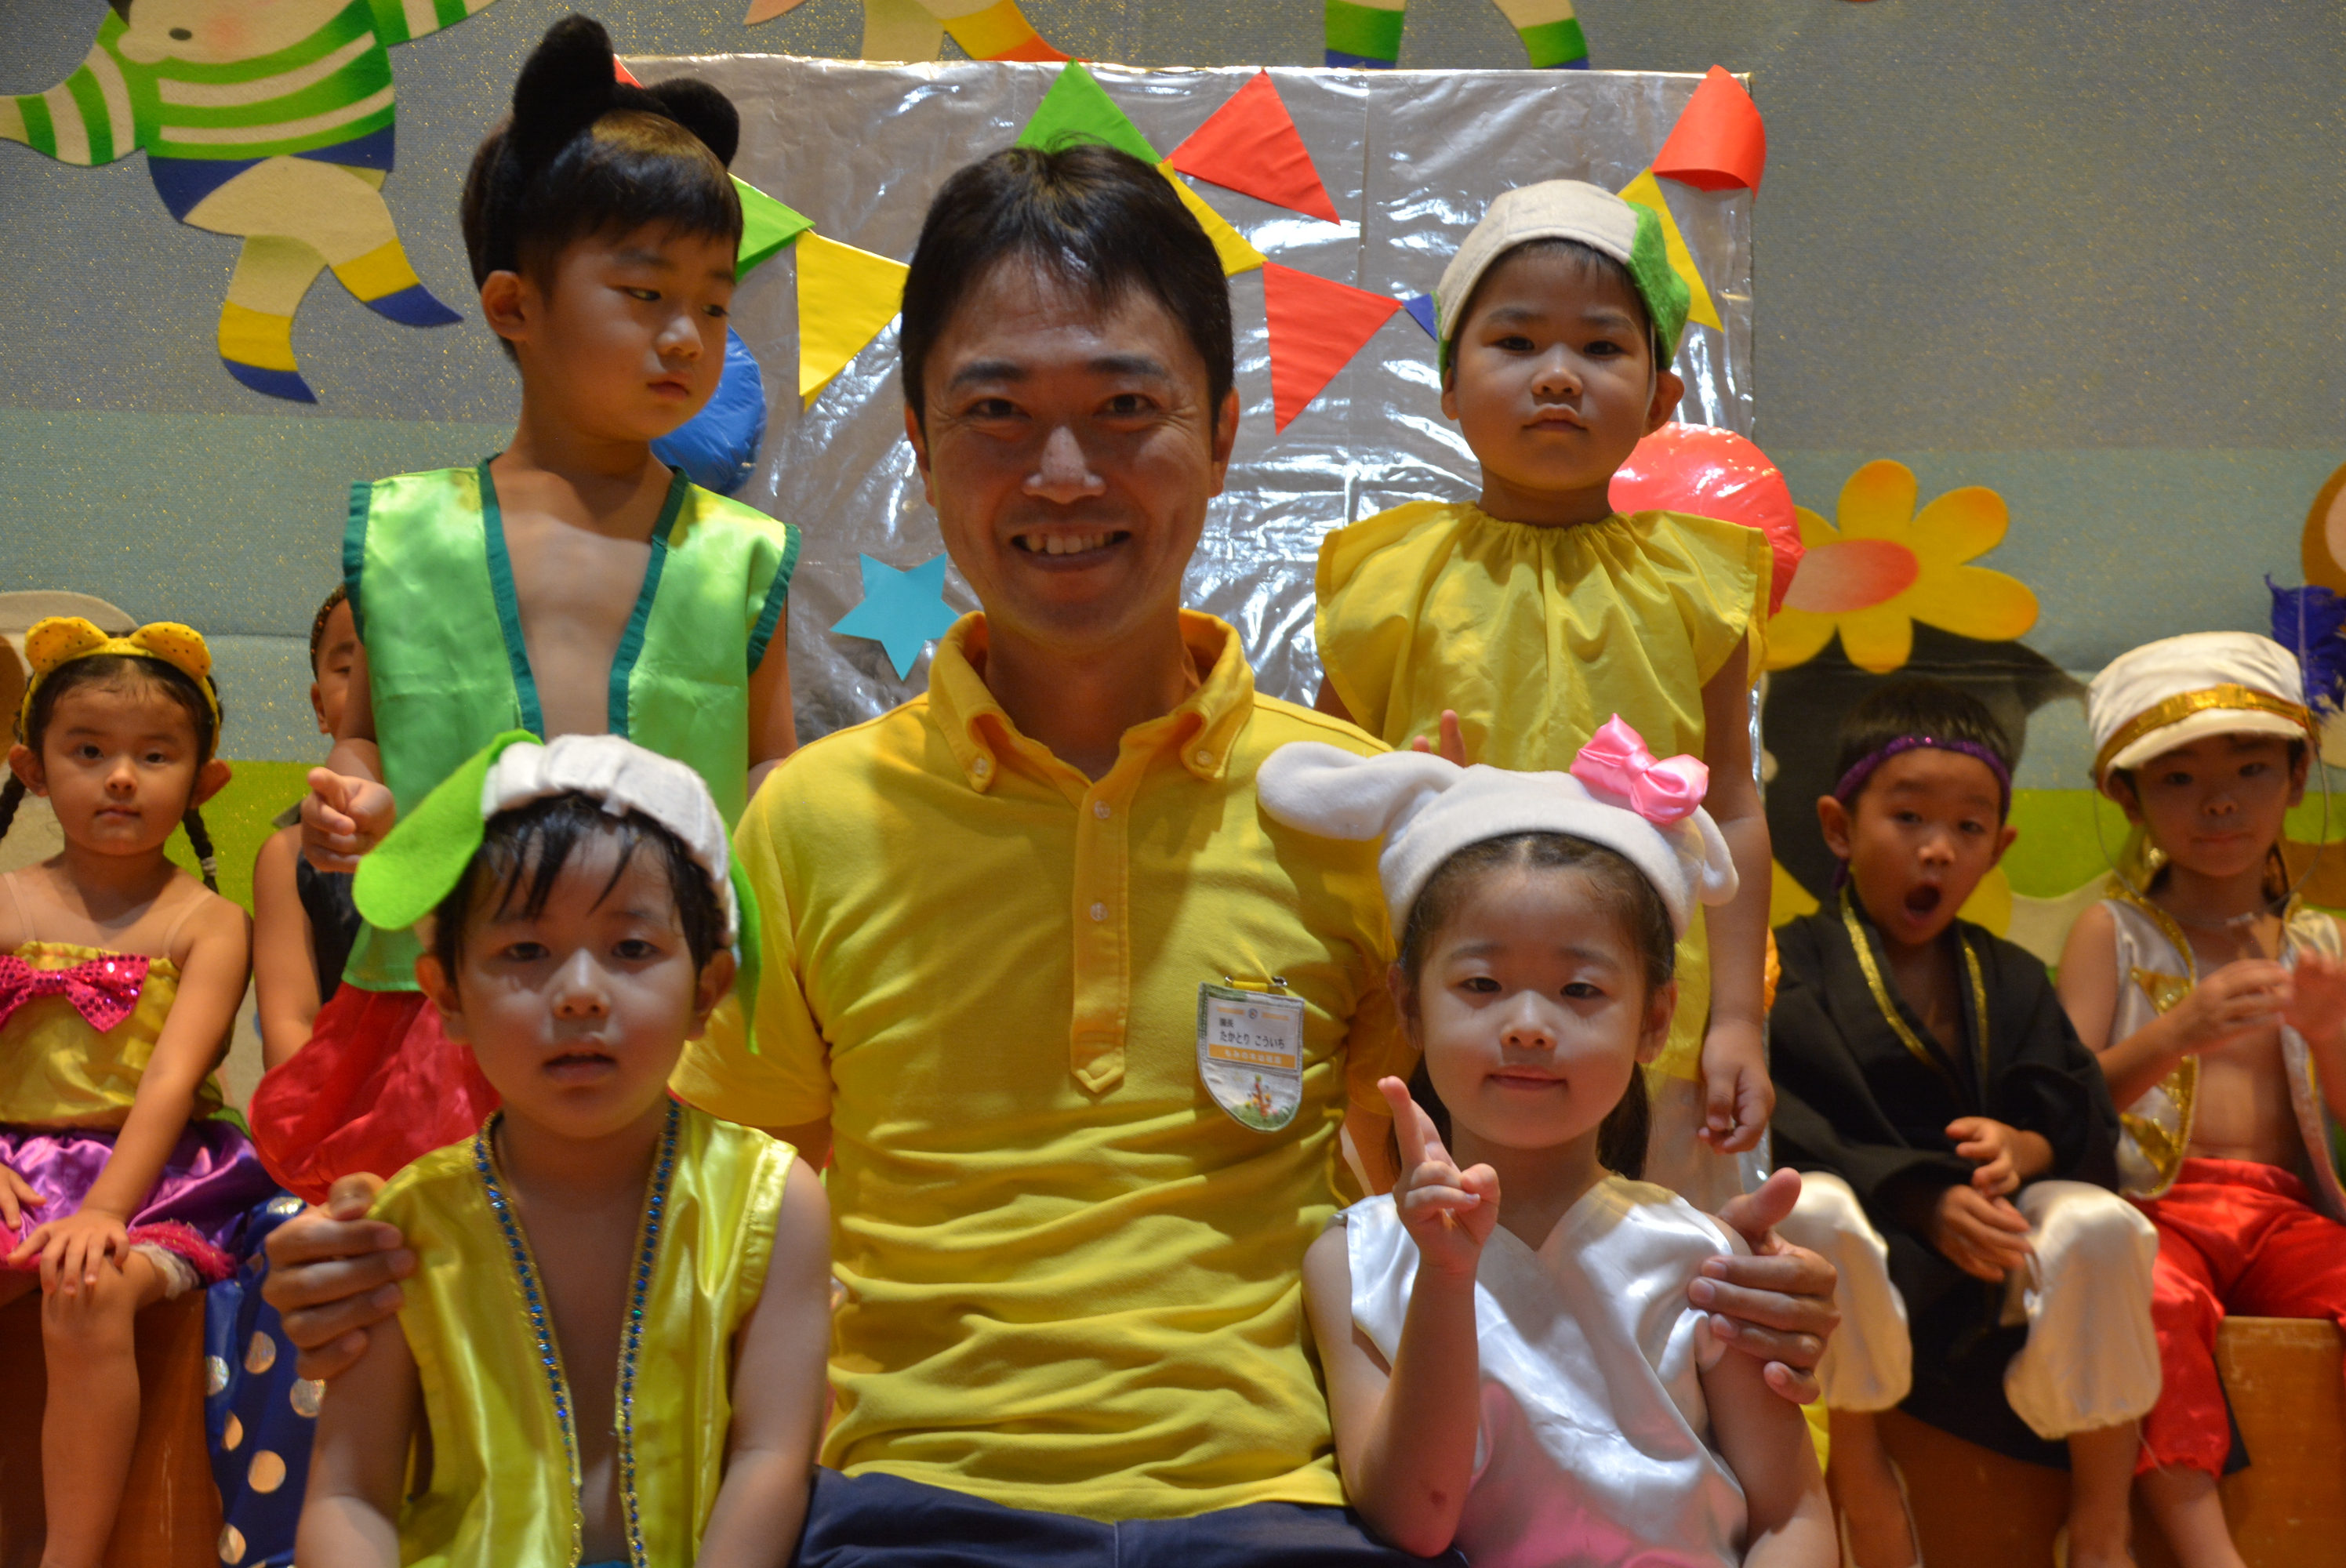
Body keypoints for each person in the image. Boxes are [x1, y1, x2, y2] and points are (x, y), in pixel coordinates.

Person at [263, 142, 1841, 1566]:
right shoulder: (806, 823)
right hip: (902, 1510)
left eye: (1125, 410)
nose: (1063, 475)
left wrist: (1712, 1291)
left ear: (1219, 434)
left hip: (1285, 1511)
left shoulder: (1359, 817)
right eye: (997, 414)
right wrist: (392, 1267)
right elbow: (670, 1191)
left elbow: (1503, 1160)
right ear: (917, 440)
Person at [247, 16, 801, 1203]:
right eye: (644, 292)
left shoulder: (741, 555)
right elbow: (367, 740)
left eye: (713, 305)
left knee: (670, 1289)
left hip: (669, 1011)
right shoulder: (409, 534)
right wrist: (350, 795)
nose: (685, 336)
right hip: (452, 1010)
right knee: (449, 1289)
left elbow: (769, 767)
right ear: (514, 305)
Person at [1311, 180, 1771, 1207]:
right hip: (1435, 1007)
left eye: (1601, 347)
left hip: (1630, 1013)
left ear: (1660, 398)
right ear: (1449, 383)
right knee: (1436, 1241)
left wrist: (1738, 1018)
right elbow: (1324, 805)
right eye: (1515, 342)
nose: (1557, 375)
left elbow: (1734, 805)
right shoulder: (1388, 578)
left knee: (1637, 1250)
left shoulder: (1698, 585)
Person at [1277, 720, 1834, 1566]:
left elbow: (1791, 1512)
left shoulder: (1704, 1258)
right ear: (1408, 1004)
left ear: (1654, 1018)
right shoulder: (1355, 1261)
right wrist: (1446, 1276)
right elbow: (1413, 1518)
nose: (1529, 1025)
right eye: (1481, 983)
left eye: (1579, 989)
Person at [296, 732, 830, 1566]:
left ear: (709, 989)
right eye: (525, 951)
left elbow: (770, 1459)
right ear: (447, 995)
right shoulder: (408, 1222)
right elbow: (349, 1492)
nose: (581, 993)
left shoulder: (775, 1202)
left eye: (632, 949)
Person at [1770, 680, 2156, 1568]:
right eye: (1908, 817)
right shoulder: (1792, 965)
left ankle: (2102, 1522)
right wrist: (1920, 1197)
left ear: (1998, 848)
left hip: (1995, 1249)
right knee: (1808, 1208)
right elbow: (1792, 1121)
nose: (1938, 849)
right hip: (1876, 1247)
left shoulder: (2010, 974)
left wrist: (2026, 1145)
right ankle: (1861, 1477)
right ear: (1838, 826)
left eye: (1969, 827)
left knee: (2102, 1224)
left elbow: (2078, 1106)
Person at [2056, 633, 2346, 1568]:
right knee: (2147, 1294)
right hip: (2155, 1211)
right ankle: (2204, 1548)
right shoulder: (2111, 930)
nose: (2219, 802)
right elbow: (2060, 1105)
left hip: (2286, 1216)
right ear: (2125, 795)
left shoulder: (2320, 942)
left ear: (2297, 777)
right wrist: (2172, 1032)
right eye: (2176, 778)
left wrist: (2330, 1032)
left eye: (2251, 768)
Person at [0, 617, 278, 1568]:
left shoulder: (210, 921)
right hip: (15, 1167)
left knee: (87, 1285)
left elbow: (169, 1078)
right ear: (32, 768)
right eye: (89, 751)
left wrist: (106, 1209)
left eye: (154, 755)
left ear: (204, 780)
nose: (121, 777)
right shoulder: (5, 899)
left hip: (157, 1179)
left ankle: (68, 1556)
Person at [252, 585, 364, 1068]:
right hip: (343, 1101)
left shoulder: (497, 831)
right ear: (320, 707)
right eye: (351, 670)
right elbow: (290, 1022)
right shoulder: (289, 856)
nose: (380, 688)